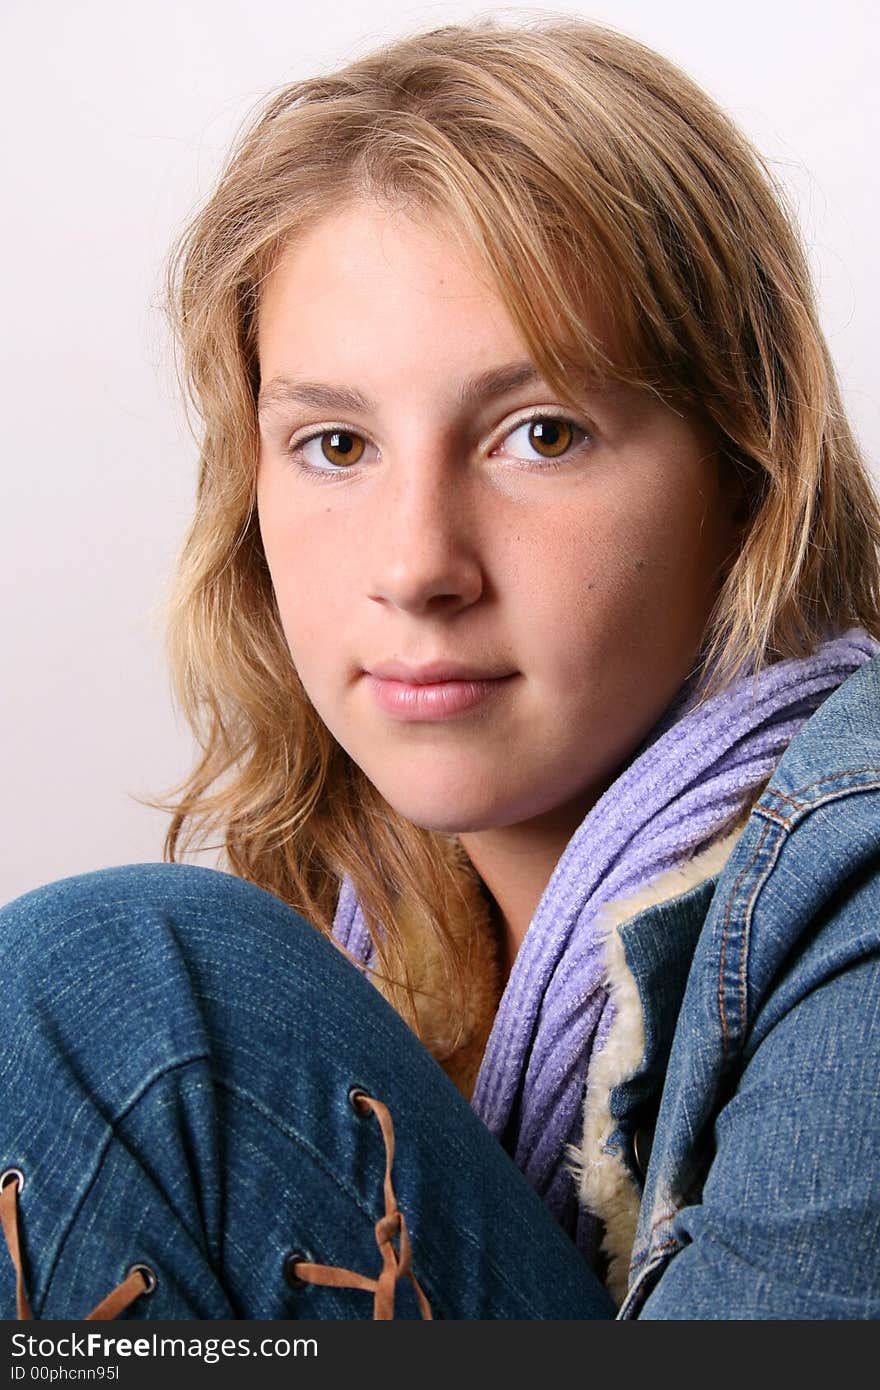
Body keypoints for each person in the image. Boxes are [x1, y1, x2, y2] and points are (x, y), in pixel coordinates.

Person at [2, 16, 879, 1322]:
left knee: (120, 984)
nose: (417, 565)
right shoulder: (342, 921)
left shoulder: (853, 889)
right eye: (337, 444)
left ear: (748, 471)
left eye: (540, 431)